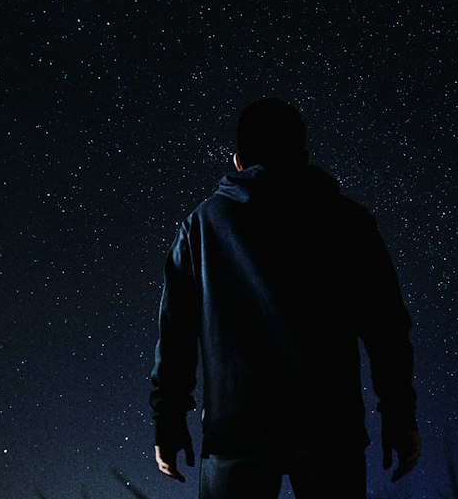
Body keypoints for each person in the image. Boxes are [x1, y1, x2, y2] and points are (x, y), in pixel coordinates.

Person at [150, 98, 420, 499]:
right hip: (329, 426)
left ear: (238, 160)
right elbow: (387, 330)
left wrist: (168, 422)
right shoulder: (348, 220)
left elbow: (176, 335)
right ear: (305, 156)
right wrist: (398, 416)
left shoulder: (201, 226)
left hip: (236, 431)